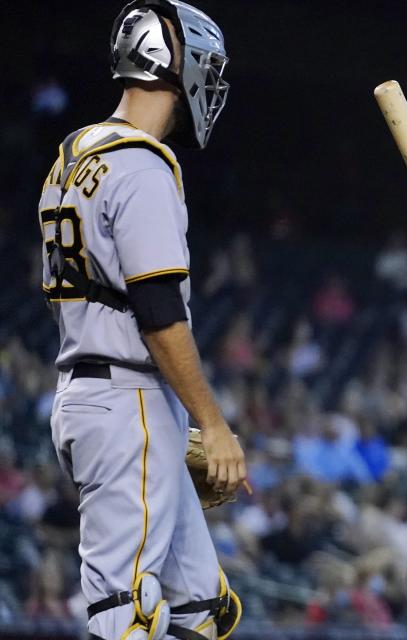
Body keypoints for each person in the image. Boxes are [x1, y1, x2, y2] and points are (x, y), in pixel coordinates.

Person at [37, 2, 245, 638]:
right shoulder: (144, 165)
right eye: (203, 64)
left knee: (203, 609)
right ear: (173, 64)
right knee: (127, 618)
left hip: (103, 391)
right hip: (126, 398)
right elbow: (158, 315)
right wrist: (212, 424)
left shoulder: (74, 152)